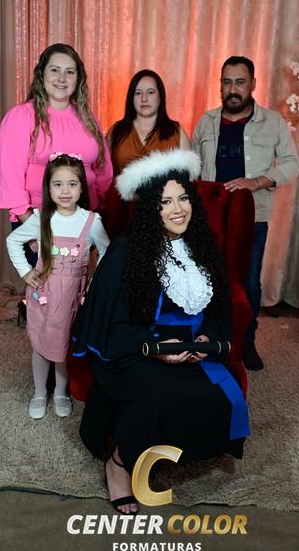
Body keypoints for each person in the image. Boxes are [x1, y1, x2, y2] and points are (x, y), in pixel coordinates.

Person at [73, 149, 250, 515]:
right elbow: (114, 327)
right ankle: (119, 464)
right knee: (157, 395)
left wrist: (206, 339)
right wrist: (156, 349)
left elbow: (220, 307)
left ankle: (173, 452)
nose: (177, 209)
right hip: (136, 349)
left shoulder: (204, 247)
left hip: (192, 348)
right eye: (166, 202)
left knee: (216, 397)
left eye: (183, 198)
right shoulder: (126, 253)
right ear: (151, 209)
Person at [192, 56, 299, 371]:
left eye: (240, 82)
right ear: (220, 85)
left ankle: (246, 340)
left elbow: (292, 164)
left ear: (253, 84)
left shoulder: (273, 122)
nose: (233, 89)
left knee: (249, 282)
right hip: (211, 220)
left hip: (253, 220)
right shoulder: (206, 122)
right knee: (208, 278)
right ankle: (207, 338)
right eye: (227, 82)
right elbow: (192, 165)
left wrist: (258, 181)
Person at [6, 154, 110, 419]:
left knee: (64, 346)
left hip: (72, 300)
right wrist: (26, 271)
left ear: (82, 187)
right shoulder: (41, 218)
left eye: (72, 184)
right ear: (48, 188)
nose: (65, 191)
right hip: (44, 296)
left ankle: (61, 392)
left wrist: (95, 282)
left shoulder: (91, 221)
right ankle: (40, 392)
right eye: (58, 184)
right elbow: (13, 241)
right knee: (41, 345)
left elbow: (107, 252)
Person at [0, 42, 112, 263]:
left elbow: (103, 170)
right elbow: (9, 177)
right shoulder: (21, 116)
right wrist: (32, 227)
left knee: (80, 282)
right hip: (37, 219)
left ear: (78, 78)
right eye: (55, 70)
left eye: (70, 72)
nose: (62, 78)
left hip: (82, 218)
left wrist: (98, 215)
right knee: (46, 282)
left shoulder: (88, 118)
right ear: (42, 74)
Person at [107, 69, 191, 174]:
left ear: (160, 96)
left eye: (150, 92)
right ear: (131, 98)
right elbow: (102, 171)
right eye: (138, 93)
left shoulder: (176, 132)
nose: (144, 99)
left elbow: (189, 175)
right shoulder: (116, 130)